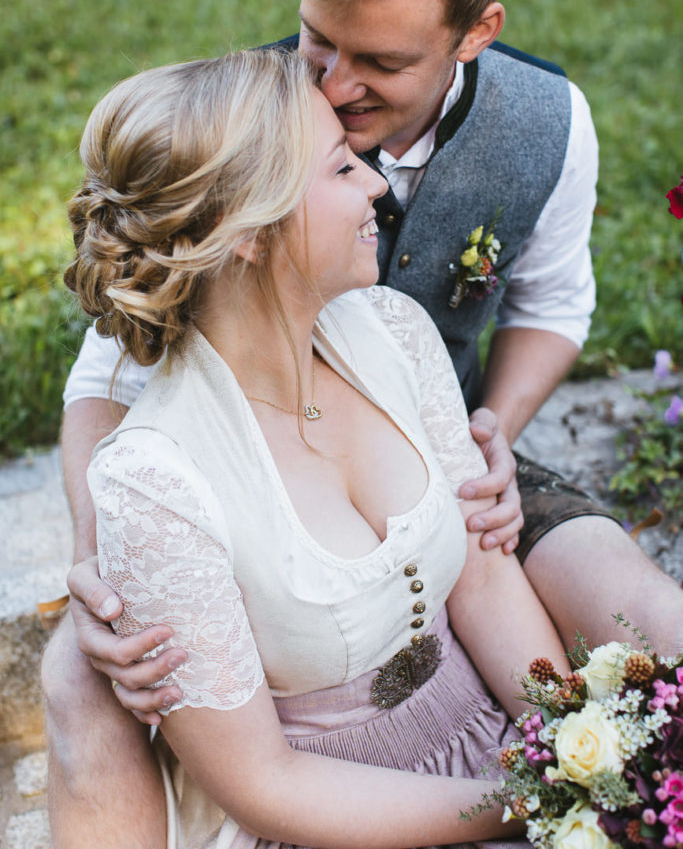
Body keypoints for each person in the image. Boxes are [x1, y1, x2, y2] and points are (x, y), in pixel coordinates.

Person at [43, 0, 683, 847]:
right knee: (85, 674)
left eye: (378, 62)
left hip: (444, 434)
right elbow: (111, 358)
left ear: (475, 32)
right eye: (315, 43)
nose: (334, 89)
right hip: (254, 475)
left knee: (649, 615)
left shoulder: (543, 127)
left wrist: (486, 435)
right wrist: (99, 560)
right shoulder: (244, 130)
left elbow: (554, 308)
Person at [61, 45, 569, 848]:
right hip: (328, 819)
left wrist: (576, 750)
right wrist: (521, 802)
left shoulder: (396, 334)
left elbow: (482, 577)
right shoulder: (156, 483)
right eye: (340, 170)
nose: (375, 184)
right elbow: (266, 786)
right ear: (247, 236)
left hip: (492, 747)